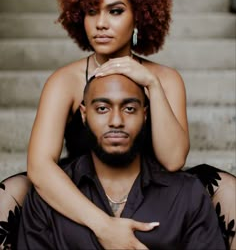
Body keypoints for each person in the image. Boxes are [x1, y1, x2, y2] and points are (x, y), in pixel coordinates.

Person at [0, 0, 235, 249]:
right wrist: (103, 225)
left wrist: (151, 84)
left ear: (139, 17)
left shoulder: (165, 78)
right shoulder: (65, 80)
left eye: (115, 11)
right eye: (91, 11)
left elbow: (173, 160)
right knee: (10, 192)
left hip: (154, 189)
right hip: (85, 189)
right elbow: (39, 166)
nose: (100, 23)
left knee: (229, 190)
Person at [17, 74, 226, 249]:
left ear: (145, 115)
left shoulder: (186, 194)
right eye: (102, 109)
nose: (116, 121)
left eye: (129, 109)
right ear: (83, 114)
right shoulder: (46, 199)